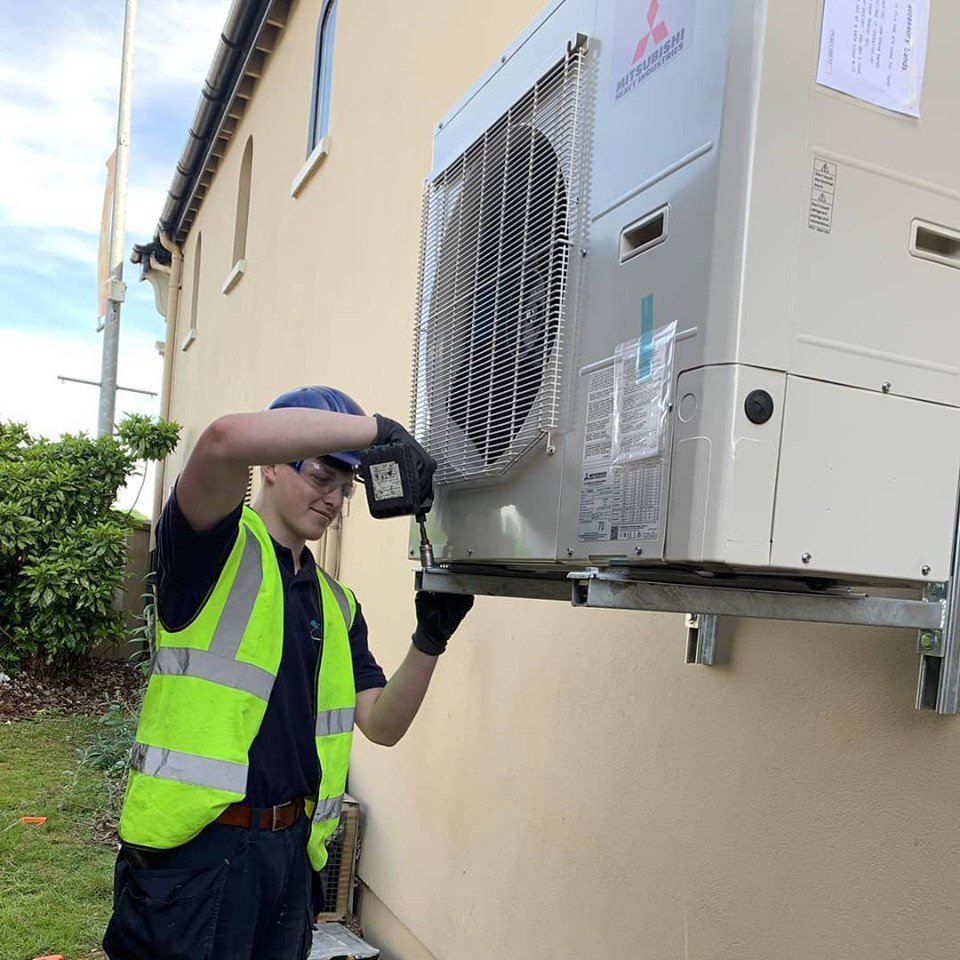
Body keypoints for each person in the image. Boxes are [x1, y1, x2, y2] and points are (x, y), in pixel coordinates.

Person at [103, 386, 473, 960]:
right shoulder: (211, 547)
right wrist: (376, 431)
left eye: (346, 487)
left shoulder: (336, 604)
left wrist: (430, 641)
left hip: (289, 857)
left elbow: (382, 723)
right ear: (272, 465)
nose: (335, 498)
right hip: (196, 853)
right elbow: (224, 441)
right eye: (324, 475)